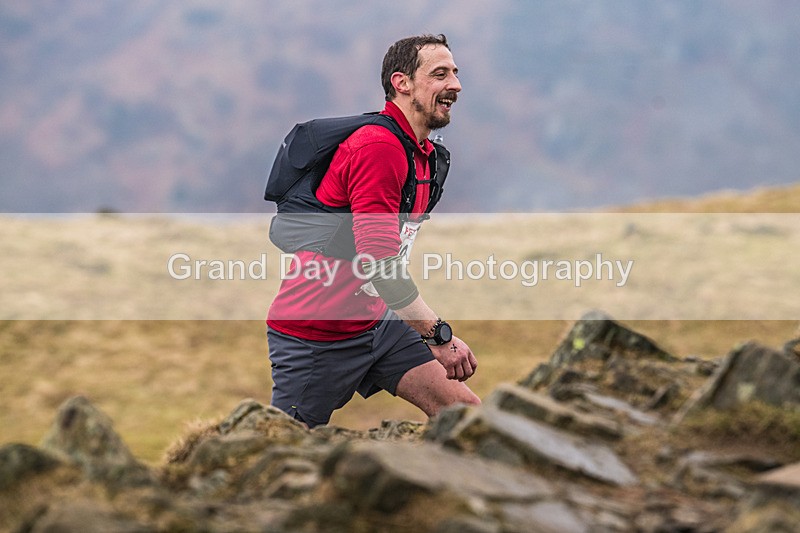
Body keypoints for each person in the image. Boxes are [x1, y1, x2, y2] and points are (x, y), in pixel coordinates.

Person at [266, 34, 480, 428]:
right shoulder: (377, 148)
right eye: (439, 74)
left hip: (378, 323)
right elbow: (381, 263)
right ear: (402, 83)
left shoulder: (424, 155)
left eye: (455, 73)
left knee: (469, 420)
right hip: (316, 336)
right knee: (280, 452)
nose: (455, 84)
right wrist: (440, 336)